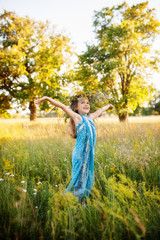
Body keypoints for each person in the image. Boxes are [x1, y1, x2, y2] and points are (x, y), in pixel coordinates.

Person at [35, 95, 114, 201]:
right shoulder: (78, 117)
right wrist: (47, 98)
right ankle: (68, 199)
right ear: (76, 107)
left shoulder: (90, 117)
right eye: (82, 103)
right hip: (80, 154)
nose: (86, 104)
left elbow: (100, 110)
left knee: (86, 176)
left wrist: (108, 106)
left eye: (88, 103)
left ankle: (83, 199)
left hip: (88, 154)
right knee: (78, 177)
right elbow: (62, 106)